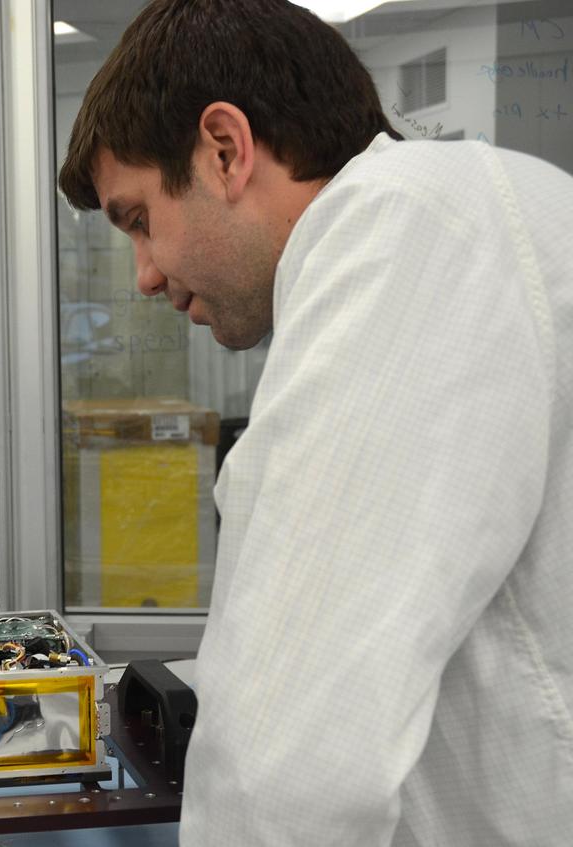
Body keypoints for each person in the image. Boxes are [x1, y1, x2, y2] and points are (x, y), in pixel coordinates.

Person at [59, 1, 573, 844]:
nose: (144, 276)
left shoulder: (403, 228)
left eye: (139, 219)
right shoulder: (471, 208)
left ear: (224, 150)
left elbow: (289, 769)